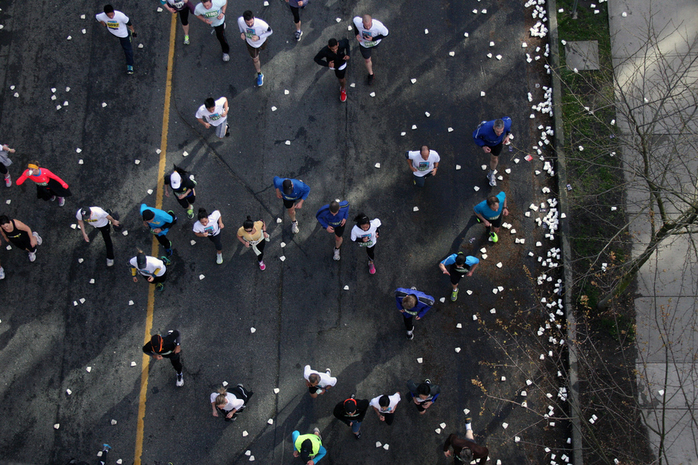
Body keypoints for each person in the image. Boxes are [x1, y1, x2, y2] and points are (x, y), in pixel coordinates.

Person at [95, 4, 137, 74]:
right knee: (123, 41)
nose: (111, 17)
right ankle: (129, 33)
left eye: (112, 15)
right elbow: (98, 18)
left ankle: (130, 64)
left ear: (113, 12)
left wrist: (133, 31)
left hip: (123, 35)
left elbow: (128, 23)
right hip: (113, 33)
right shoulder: (101, 16)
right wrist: (104, 24)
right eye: (109, 16)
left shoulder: (120, 16)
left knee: (127, 49)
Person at [472, 117, 512, 186]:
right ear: (494, 127)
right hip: (487, 142)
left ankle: (491, 174)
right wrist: (483, 146)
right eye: (497, 131)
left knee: (494, 158)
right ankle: (483, 124)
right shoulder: (485, 129)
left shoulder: (506, 124)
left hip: (497, 143)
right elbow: (475, 136)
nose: (499, 134)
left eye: (501, 131)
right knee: (483, 128)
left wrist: (508, 135)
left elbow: (509, 119)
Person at [238, 10, 273, 86]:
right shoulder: (241, 21)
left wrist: (259, 37)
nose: (250, 24)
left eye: (251, 22)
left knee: (262, 49)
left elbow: (270, 31)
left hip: (262, 42)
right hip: (251, 44)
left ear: (254, 18)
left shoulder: (261, 24)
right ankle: (259, 74)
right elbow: (239, 21)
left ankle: (259, 51)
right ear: (244, 21)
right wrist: (242, 32)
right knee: (255, 59)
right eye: (248, 23)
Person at [353, 15, 389, 85]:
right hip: (364, 44)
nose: (368, 28)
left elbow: (386, 34)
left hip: (375, 42)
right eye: (366, 26)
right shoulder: (358, 22)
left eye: (369, 25)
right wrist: (356, 33)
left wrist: (373, 39)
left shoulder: (378, 26)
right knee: (367, 60)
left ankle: (373, 47)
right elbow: (354, 22)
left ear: (371, 21)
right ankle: (371, 74)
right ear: (362, 22)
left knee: (374, 47)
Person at [313, 38, 351, 102]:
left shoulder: (342, 44)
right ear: (329, 47)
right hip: (333, 65)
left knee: (341, 79)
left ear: (338, 44)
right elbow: (316, 59)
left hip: (342, 64)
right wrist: (327, 64)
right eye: (332, 49)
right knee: (339, 76)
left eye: (336, 48)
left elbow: (347, 43)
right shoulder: (325, 51)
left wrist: (348, 54)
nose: (335, 51)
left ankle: (343, 89)